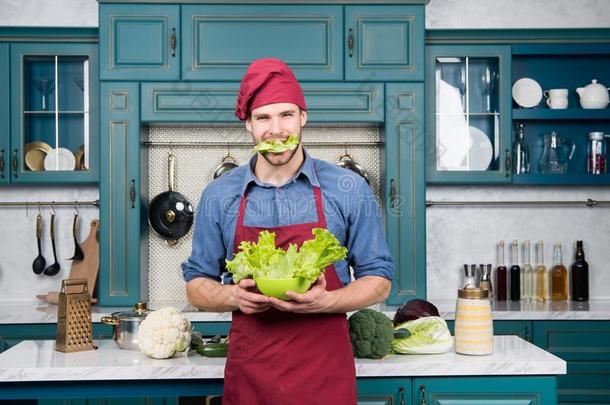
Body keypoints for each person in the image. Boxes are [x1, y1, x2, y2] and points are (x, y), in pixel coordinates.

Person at [182, 58, 394, 405]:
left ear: (303, 118)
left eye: (286, 115)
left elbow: (380, 278)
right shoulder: (219, 195)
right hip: (253, 373)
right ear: (248, 124)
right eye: (263, 117)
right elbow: (196, 285)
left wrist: (329, 301)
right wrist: (233, 296)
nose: (276, 129)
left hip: (324, 373)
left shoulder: (347, 188)